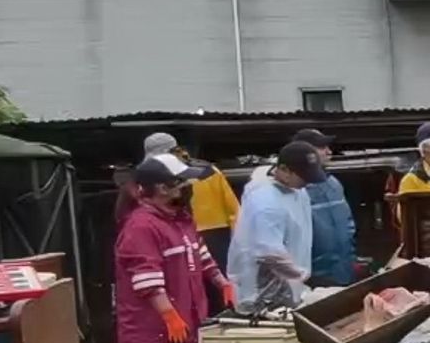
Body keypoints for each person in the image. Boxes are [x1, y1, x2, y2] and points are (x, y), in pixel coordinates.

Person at [113, 153, 235, 343]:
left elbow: (201, 255)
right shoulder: (141, 226)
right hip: (155, 327)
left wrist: (222, 283)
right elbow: (146, 279)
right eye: (180, 182)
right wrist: (168, 315)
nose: (186, 186)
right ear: (161, 188)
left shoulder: (180, 220)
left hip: (191, 321)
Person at [116, 133, 240, 270]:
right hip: (197, 236)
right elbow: (235, 211)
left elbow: (121, 215)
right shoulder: (208, 171)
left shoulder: (136, 179)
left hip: (198, 237)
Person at [227, 141, 324, 313]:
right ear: (284, 170)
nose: (307, 182)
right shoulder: (265, 201)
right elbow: (269, 252)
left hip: (290, 282)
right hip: (262, 288)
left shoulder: (295, 189)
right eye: (304, 177)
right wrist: (299, 274)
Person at [293, 128, 357, 287]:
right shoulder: (295, 189)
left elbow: (348, 222)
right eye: (322, 147)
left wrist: (351, 254)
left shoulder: (333, 184)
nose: (329, 151)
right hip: (313, 276)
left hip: (344, 271)